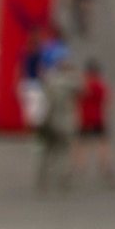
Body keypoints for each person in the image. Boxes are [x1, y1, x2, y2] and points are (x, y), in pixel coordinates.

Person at [34, 55, 80, 192]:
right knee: (64, 153)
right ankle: (64, 180)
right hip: (66, 122)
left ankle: (42, 181)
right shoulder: (71, 84)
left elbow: (47, 103)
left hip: (52, 121)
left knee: (46, 153)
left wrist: (43, 122)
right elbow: (82, 90)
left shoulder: (51, 83)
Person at [72, 57, 114, 187]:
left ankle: (79, 168)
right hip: (98, 118)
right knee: (102, 143)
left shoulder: (82, 85)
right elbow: (108, 101)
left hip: (83, 118)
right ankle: (105, 167)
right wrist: (105, 115)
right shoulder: (101, 85)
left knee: (81, 144)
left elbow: (74, 100)